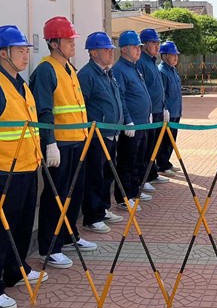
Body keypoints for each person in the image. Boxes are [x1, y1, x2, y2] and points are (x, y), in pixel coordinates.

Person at [0, 25, 45, 308]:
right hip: (2, 171)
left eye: (27, 50)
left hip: (27, 167)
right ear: (3, 53)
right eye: (20, 50)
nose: (26, 55)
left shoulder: (22, 85)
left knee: (22, 224)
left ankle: (15, 270)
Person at [30, 16, 94, 269]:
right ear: (54, 43)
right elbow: (44, 110)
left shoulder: (69, 68)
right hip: (60, 146)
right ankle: (50, 247)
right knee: (56, 196)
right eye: (68, 40)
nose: (72, 44)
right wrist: (50, 143)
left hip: (77, 141)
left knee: (74, 194)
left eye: (72, 40)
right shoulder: (46, 70)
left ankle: (69, 235)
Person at [77, 32, 125, 233]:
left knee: (107, 175)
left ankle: (103, 209)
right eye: (106, 50)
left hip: (111, 133)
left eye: (111, 50)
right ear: (94, 52)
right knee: (95, 176)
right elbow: (82, 105)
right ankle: (92, 216)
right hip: (97, 135)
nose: (111, 53)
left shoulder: (107, 73)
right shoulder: (87, 75)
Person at [111, 30, 153, 211]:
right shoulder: (119, 69)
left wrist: (148, 113)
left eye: (139, 47)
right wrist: (127, 120)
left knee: (138, 159)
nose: (139, 50)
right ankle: (124, 197)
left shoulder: (134, 67)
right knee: (127, 161)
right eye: (135, 47)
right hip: (131, 126)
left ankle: (135, 191)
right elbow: (121, 97)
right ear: (124, 49)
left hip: (142, 123)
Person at [138, 28, 171, 189]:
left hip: (158, 110)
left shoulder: (152, 62)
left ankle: (152, 174)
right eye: (153, 43)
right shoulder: (141, 63)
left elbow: (158, 88)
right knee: (145, 149)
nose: (157, 46)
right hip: (149, 113)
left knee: (153, 147)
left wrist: (164, 107)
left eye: (158, 43)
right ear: (144, 44)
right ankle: (144, 178)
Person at [157, 41, 183, 176]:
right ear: (164, 56)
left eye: (176, 55)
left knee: (172, 140)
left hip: (176, 111)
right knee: (165, 140)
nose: (175, 57)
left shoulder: (173, 70)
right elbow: (161, 93)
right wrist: (165, 109)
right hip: (168, 112)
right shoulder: (162, 71)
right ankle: (161, 164)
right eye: (173, 55)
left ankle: (166, 162)